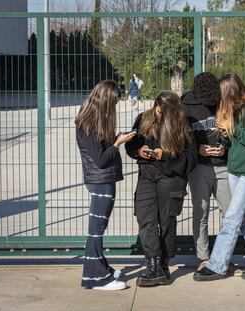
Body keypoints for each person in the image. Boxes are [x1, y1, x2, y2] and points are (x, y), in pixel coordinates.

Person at [193, 73, 245, 281]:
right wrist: (223, 139)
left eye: (222, 94)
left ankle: (217, 264)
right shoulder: (236, 109)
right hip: (235, 168)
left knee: (232, 218)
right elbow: (233, 141)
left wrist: (232, 128)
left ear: (231, 91)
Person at [126, 91, 198, 287]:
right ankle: (153, 264)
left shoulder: (184, 125)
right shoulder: (143, 119)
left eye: (162, 113)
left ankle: (163, 264)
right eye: (157, 110)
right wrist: (139, 151)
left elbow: (190, 160)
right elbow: (131, 145)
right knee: (145, 218)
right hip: (147, 175)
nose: (158, 114)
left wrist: (164, 156)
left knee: (166, 221)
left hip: (171, 178)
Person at [75, 80, 136, 291]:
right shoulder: (88, 124)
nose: (114, 108)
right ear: (104, 101)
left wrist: (117, 139)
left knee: (97, 230)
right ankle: (96, 278)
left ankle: (101, 270)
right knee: (95, 231)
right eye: (114, 103)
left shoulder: (93, 121)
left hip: (103, 181)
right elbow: (101, 159)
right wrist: (118, 142)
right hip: (100, 181)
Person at [181, 72, 232, 272]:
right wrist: (198, 149)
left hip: (223, 165)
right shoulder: (185, 104)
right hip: (199, 167)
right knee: (200, 213)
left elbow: (233, 131)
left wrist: (224, 148)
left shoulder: (223, 101)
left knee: (228, 214)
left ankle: (222, 256)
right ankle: (203, 257)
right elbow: (181, 138)